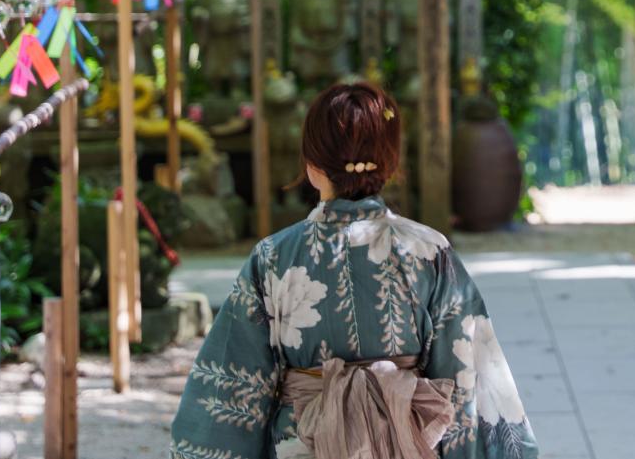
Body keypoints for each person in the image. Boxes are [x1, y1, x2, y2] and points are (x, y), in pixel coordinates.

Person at [170, 81, 538, 459]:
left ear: (313, 167)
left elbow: (233, 387)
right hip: (406, 440)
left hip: (304, 443)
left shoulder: (273, 257)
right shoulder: (428, 251)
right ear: (391, 163)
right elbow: (469, 377)